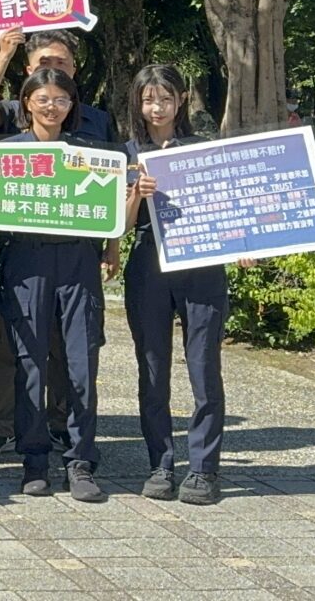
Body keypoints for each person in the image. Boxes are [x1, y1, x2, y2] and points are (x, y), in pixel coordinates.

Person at [0, 27, 110, 457]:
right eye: (43, 65)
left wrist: (112, 246)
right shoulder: (13, 114)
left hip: (75, 253)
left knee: (71, 351)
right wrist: (5, 51)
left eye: (61, 64)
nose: (52, 74)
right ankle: (4, 425)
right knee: (15, 346)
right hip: (23, 253)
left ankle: (61, 426)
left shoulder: (96, 121)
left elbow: (110, 184)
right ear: (28, 80)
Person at [122, 64, 229, 505]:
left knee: (204, 368)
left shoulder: (202, 150)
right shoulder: (127, 152)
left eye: (165, 98)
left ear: (180, 99)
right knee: (152, 368)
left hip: (202, 265)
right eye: (149, 99)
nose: (157, 107)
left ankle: (203, 469)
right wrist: (135, 195)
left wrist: (243, 244)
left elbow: (227, 210)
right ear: (138, 103)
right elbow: (120, 228)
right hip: (148, 263)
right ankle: (160, 464)